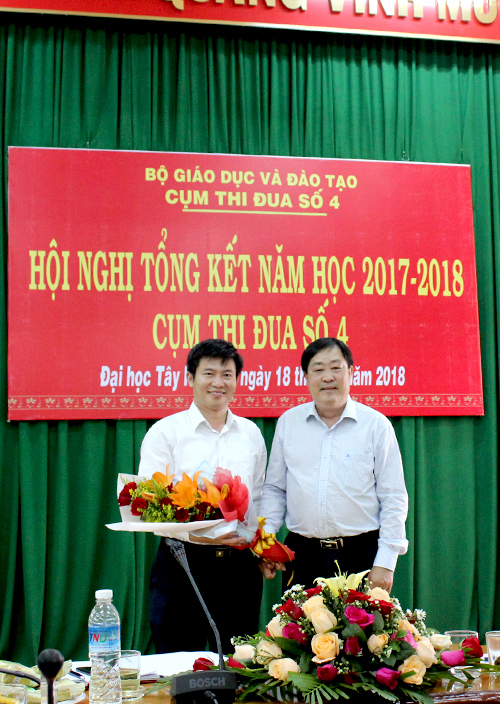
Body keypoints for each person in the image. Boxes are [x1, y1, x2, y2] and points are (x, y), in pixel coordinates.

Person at [139, 339, 267, 653]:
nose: (218, 382)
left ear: (237, 380)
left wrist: (261, 545)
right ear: (190, 377)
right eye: (209, 373)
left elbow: (259, 498)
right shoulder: (165, 433)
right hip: (183, 564)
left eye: (227, 374)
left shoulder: (251, 434)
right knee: (178, 664)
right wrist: (200, 535)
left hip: (239, 568)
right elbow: (149, 509)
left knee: (240, 663)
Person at [259, 337, 408, 594]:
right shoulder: (289, 423)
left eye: (336, 368)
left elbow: (393, 497)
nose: (328, 377)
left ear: (351, 372)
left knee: (361, 623)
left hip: (361, 556)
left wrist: (386, 562)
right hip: (303, 557)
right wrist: (266, 542)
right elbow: (275, 489)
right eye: (318, 369)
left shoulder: (376, 425)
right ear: (306, 376)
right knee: (299, 622)